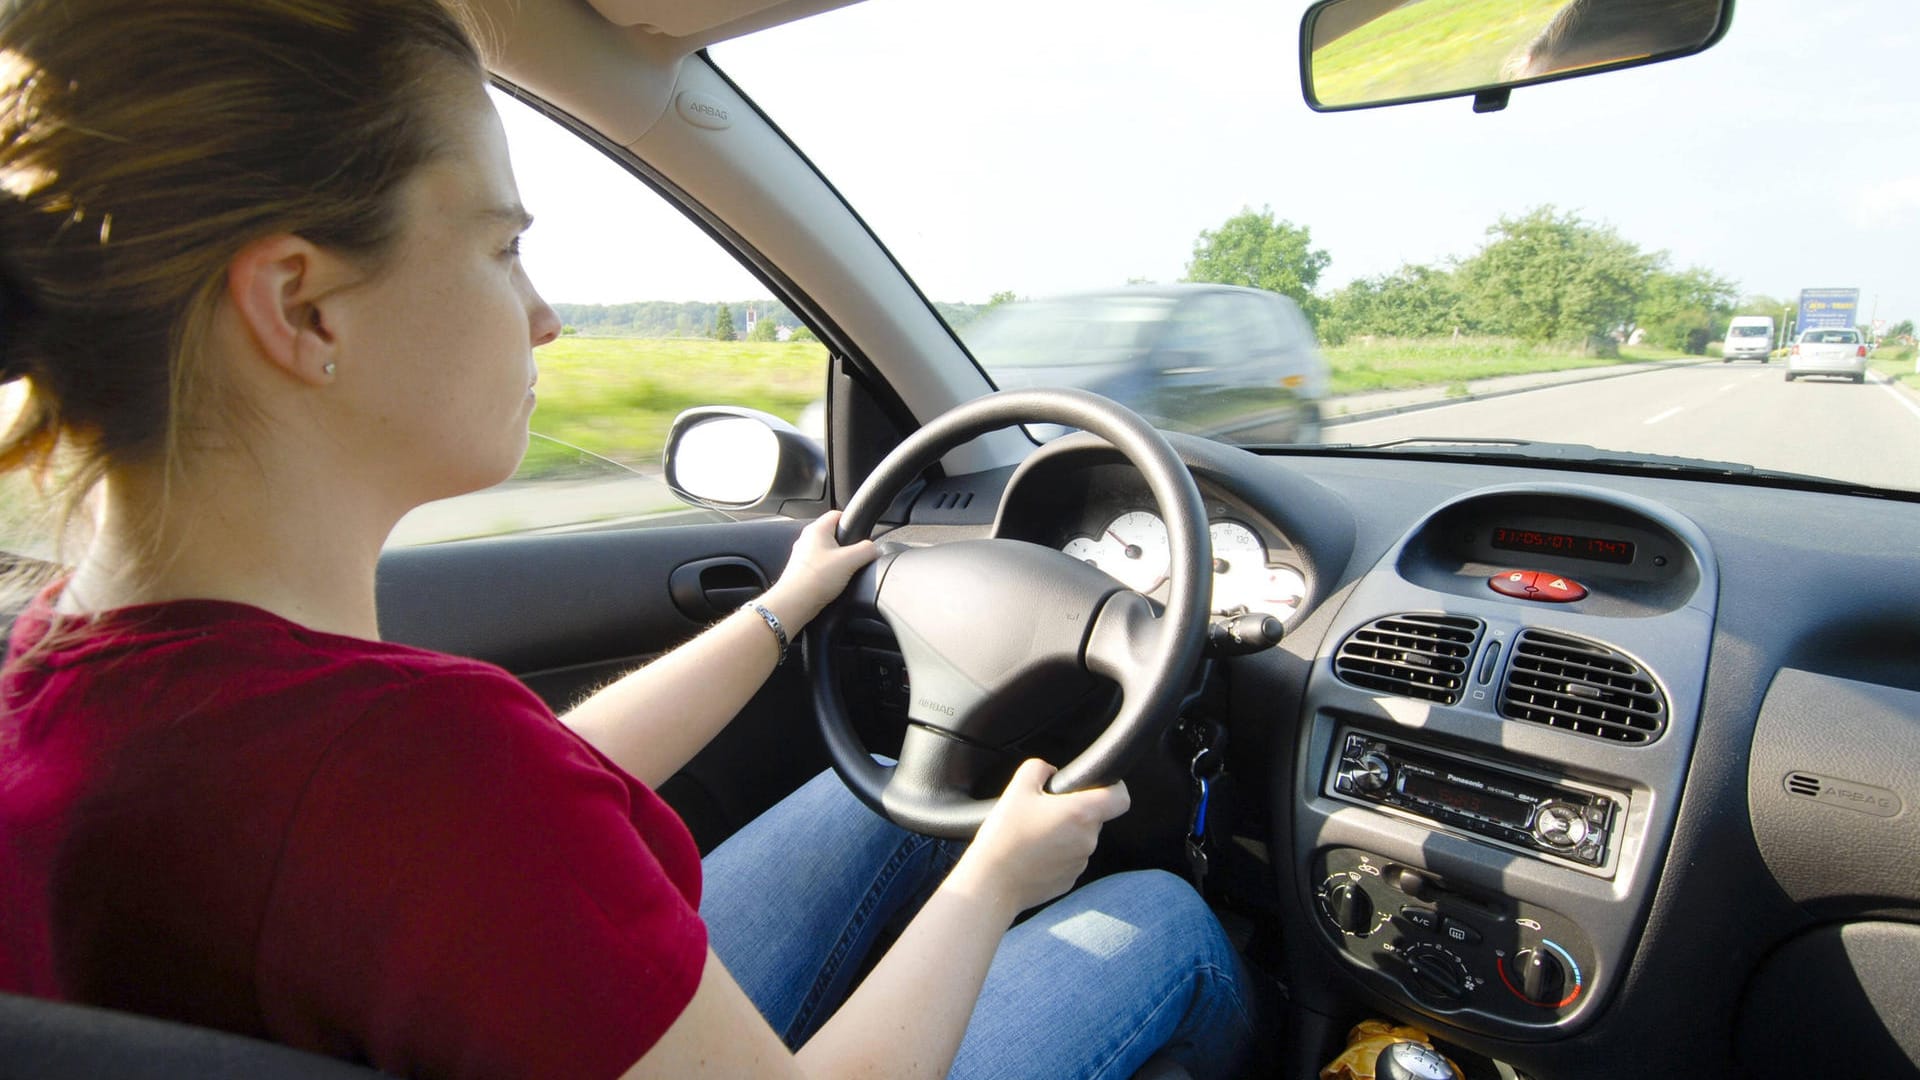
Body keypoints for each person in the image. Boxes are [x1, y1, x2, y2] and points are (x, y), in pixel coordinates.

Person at [0, 2, 1255, 1077]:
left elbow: (510, 790)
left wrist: (780, 614)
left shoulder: (65, 671)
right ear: (302, 306)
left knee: (878, 808)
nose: (544, 316)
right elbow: (469, 803)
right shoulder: (414, 773)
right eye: (503, 246)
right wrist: (995, 881)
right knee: (1159, 922)